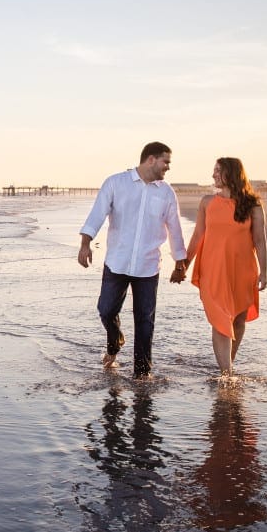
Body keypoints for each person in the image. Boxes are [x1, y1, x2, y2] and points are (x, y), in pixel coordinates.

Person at [78, 141, 188, 376]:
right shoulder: (116, 183)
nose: (168, 167)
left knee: (145, 321)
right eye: (165, 161)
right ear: (151, 159)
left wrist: (180, 263)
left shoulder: (166, 192)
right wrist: (85, 243)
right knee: (106, 309)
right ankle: (115, 340)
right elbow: (96, 214)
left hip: (148, 266)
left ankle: (142, 372)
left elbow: (175, 229)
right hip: (117, 261)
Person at [182, 157, 267, 376]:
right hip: (214, 270)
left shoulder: (253, 206)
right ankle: (227, 373)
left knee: (238, 319)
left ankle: (226, 366)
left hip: (243, 271)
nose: (213, 175)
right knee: (221, 318)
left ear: (232, 174)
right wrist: (184, 264)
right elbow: (198, 235)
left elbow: (259, 241)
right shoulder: (207, 202)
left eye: (218, 171)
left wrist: (264, 272)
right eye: (214, 170)